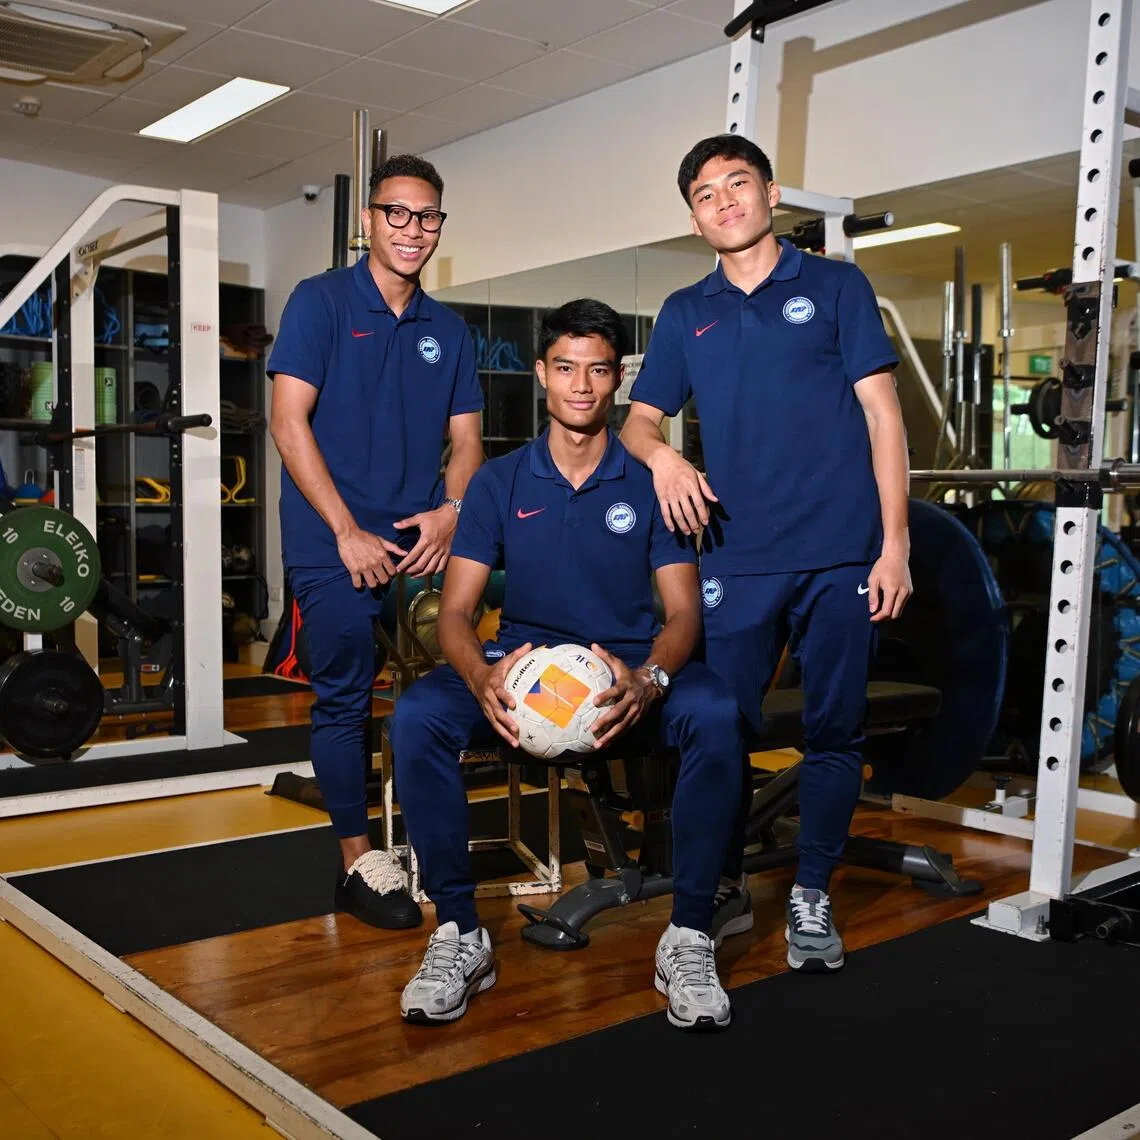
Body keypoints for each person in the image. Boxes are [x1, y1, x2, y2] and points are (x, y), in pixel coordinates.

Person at [390, 299, 742, 1031]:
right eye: (565, 368)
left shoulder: (650, 483)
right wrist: (483, 676)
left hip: (628, 678)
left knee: (715, 711)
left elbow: (683, 614)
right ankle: (460, 931)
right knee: (419, 715)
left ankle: (691, 934)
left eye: (599, 370)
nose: (581, 385)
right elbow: (454, 614)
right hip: (524, 670)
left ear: (617, 382)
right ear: (544, 377)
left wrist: (650, 679)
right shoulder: (499, 483)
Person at [620, 134, 912, 973]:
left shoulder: (835, 286)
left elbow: (884, 416)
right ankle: (716, 882)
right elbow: (640, 421)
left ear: (771, 193)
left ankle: (812, 890)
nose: (723, 203)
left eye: (736, 185)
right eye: (704, 195)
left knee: (834, 728)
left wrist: (893, 546)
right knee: (719, 729)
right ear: (694, 216)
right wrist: (666, 456)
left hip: (840, 554)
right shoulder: (685, 310)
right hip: (735, 557)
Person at [267, 154, 484, 931]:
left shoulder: (449, 330)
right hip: (333, 539)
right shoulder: (320, 302)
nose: (412, 230)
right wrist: (346, 530)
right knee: (345, 692)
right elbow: (287, 422)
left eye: (427, 217)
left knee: (464, 665)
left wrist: (453, 510)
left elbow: (467, 441)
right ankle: (358, 861)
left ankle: (439, 832)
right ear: (368, 220)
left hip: (420, 535)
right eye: (398, 213)